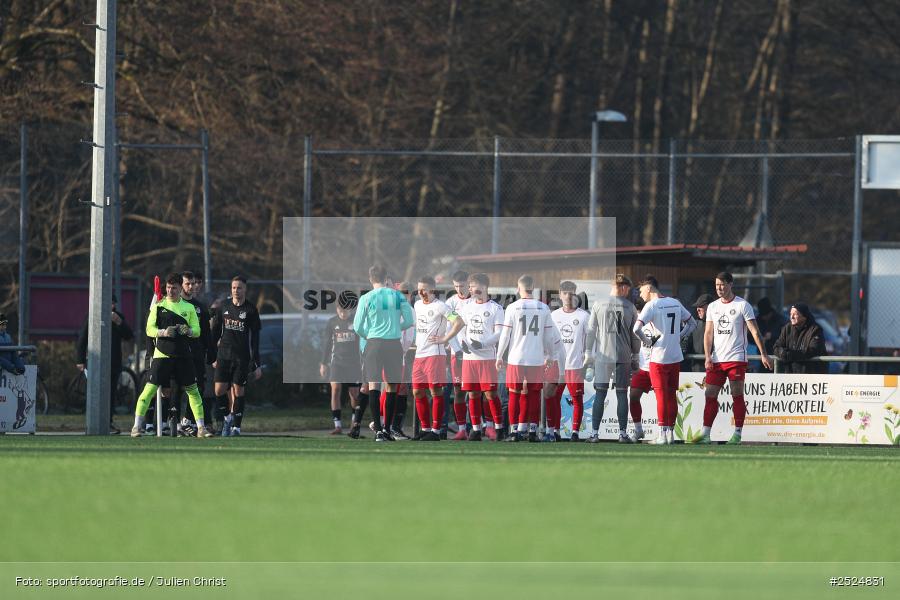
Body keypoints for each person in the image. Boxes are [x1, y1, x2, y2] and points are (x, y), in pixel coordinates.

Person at [693, 271, 772, 445]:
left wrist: (763, 354)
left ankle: (737, 433)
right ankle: (706, 433)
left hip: (736, 358)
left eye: (722, 284)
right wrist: (708, 356)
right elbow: (708, 333)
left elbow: (754, 331)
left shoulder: (743, 305)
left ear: (730, 284)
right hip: (717, 360)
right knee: (710, 393)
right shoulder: (713, 307)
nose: (719, 288)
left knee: (736, 394)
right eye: (716, 285)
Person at [131, 273, 213, 438]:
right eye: (168, 288)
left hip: (184, 356)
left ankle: (201, 428)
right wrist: (163, 332)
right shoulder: (159, 306)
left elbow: (197, 331)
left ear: (179, 288)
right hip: (162, 356)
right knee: (149, 390)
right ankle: (136, 426)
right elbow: (149, 329)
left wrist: (188, 331)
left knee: (193, 392)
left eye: (174, 288)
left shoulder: (188, 308)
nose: (170, 291)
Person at [432, 273, 506, 441]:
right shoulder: (467, 307)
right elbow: (460, 327)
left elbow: (499, 333)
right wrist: (463, 343)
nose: (471, 290)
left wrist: (483, 343)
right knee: (472, 394)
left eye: (473, 287)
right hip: (469, 358)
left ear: (484, 287)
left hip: (486, 358)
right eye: (470, 287)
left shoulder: (495, 308)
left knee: (490, 394)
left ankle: (499, 428)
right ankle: (475, 430)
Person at [496, 275, 565, 443]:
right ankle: (532, 431)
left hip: (516, 358)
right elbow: (549, 336)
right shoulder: (543, 308)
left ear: (518, 288)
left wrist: (499, 356)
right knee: (534, 394)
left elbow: (505, 335)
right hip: (536, 358)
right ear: (532, 287)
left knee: (514, 394)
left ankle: (514, 433)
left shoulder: (512, 307)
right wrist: (550, 355)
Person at [352, 265, 415, 442]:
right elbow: (409, 320)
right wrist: (395, 328)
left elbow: (357, 327)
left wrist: (370, 335)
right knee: (392, 386)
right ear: (386, 277)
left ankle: (378, 431)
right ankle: (387, 428)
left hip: (374, 343)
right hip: (393, 344)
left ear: (370, 278)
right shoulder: (397, 295)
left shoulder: (366, 298)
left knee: (374, 386)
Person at [633, 275, 696, 445]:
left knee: (661, 396)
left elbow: (636, 329)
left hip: (659, 357)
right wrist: (679, 337)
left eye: (640, 290)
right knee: (670, 396)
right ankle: (670, 435)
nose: (640, 295)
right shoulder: (675, 302)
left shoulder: (651, 305)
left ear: (648, 288)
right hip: (675, 357)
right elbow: (693, 324)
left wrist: (647, 342)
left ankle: (662, 434)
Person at [583, 274, 641, 443]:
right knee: (622, 394)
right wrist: (635, 355)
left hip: (602, 356)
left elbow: (591, 331)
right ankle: (622, 434)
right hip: (622, 357)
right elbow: (634, 335)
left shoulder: (598, 304)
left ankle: (594, 434)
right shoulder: (630, 307)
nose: (627, 293)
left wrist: (588, 352)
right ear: (622, 287)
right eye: (627, 289)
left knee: (600, 394)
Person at [211, 275, 262, 437]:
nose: (236, 291)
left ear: (245, 289)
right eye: (233, 287)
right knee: (219, 390)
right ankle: (227, 418)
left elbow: (255, 339)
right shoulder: (224, 307)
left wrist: (256, 363)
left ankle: (236, 427)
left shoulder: (251, 310)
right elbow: (215, 333)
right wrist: (212, 355)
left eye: (239, 287)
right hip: (223, 356)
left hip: (241, 357)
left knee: (238, 391)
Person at [76, 295, 134, 434]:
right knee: (95, 392)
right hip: (95, 361)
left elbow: (128, 335)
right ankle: (93, 423)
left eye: (113, 304)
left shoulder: (118, 317)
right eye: (109, 303)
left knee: (111, 393)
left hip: (113, 362)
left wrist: (119, 322)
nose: (111, 307)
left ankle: (108, 422)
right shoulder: (92, 316)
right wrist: (80, 360)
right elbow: (83, 337)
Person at [410, 276, 452, 441]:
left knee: (435, 391)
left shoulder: (441, 306)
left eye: (424, 289)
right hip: (419, 354)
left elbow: (459, 322)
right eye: (419, 289)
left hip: (435, 354)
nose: (421, 292)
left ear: (432, 290)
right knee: (417, 391)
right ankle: (425, 429)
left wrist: (445, 338)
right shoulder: (417, 304)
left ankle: (435, 431)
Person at [548, 281, 589, 441]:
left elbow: (589, 342)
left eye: (571, 293)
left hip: (575, 365)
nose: (568, 296)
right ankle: (555, 431)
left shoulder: (584, 316)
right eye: (565, 293)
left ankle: (575, 433)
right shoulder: (554, 316)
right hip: (557, 366)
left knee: (577, 400)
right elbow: (548, 340)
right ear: (560, 295)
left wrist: (588, 359)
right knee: (554, 399)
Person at [319, 295, 361, 435]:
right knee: (335, 390)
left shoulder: (357, 321)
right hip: (337, 362)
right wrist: (324, 363)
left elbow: (363, 342)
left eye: (346, 311)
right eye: (340, 310)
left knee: (354, 394)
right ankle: (337, 425)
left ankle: (355, 424)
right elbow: (327, 344)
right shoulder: (331, 323)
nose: (343, 313)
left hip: (354, 364)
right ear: (337, 309)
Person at [179, 271, 215, 435]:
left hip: (197, 353)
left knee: (198, 387)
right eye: (188, 283)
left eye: (194, 283)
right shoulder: (173, 305)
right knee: (177, 388)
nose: (192, 286)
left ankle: (189, 422)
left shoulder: (200, 306)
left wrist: (211, 351)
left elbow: (206, 332)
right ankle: (170, 423)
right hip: (178, 354)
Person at [444, 270, 471, 439]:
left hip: (477, 354)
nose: (459, 289)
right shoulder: (451, 303)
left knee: (481, 392)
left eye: (462, 286)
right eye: (456, 286)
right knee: (459, 391)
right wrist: (458, 350)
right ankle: (462, 429)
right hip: (458, 354)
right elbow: (449, 330)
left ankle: (483, 426)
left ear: (469, 284)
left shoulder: (477, 301)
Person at [773, 303, 827, 374]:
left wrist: (790, 355)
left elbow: (813, 350)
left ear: (804, 316)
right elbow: (776, 346)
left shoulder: (815, 330)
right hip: (790, 376)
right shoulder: (787, 328)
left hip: (810, 376)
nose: (791, 317)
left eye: (795, 314)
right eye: (790, 314)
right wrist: (782, 352)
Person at [682, 294, 713, 372]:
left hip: (716, 370)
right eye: (697, 307)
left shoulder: (721, 325)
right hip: (696, 372)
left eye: (701, 306)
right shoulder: (694, 325)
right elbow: (685, 347)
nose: (697, 309)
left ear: (711, 307)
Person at [756, 297, 787, 369]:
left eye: (765, 315)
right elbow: (750, 336)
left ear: (770, 313)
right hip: (763, 358)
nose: (764, 317)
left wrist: (772, 336)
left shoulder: (781, 320)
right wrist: (758, 339)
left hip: (778, 358)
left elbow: (787, 336)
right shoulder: (758, 320)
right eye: (762, 315)